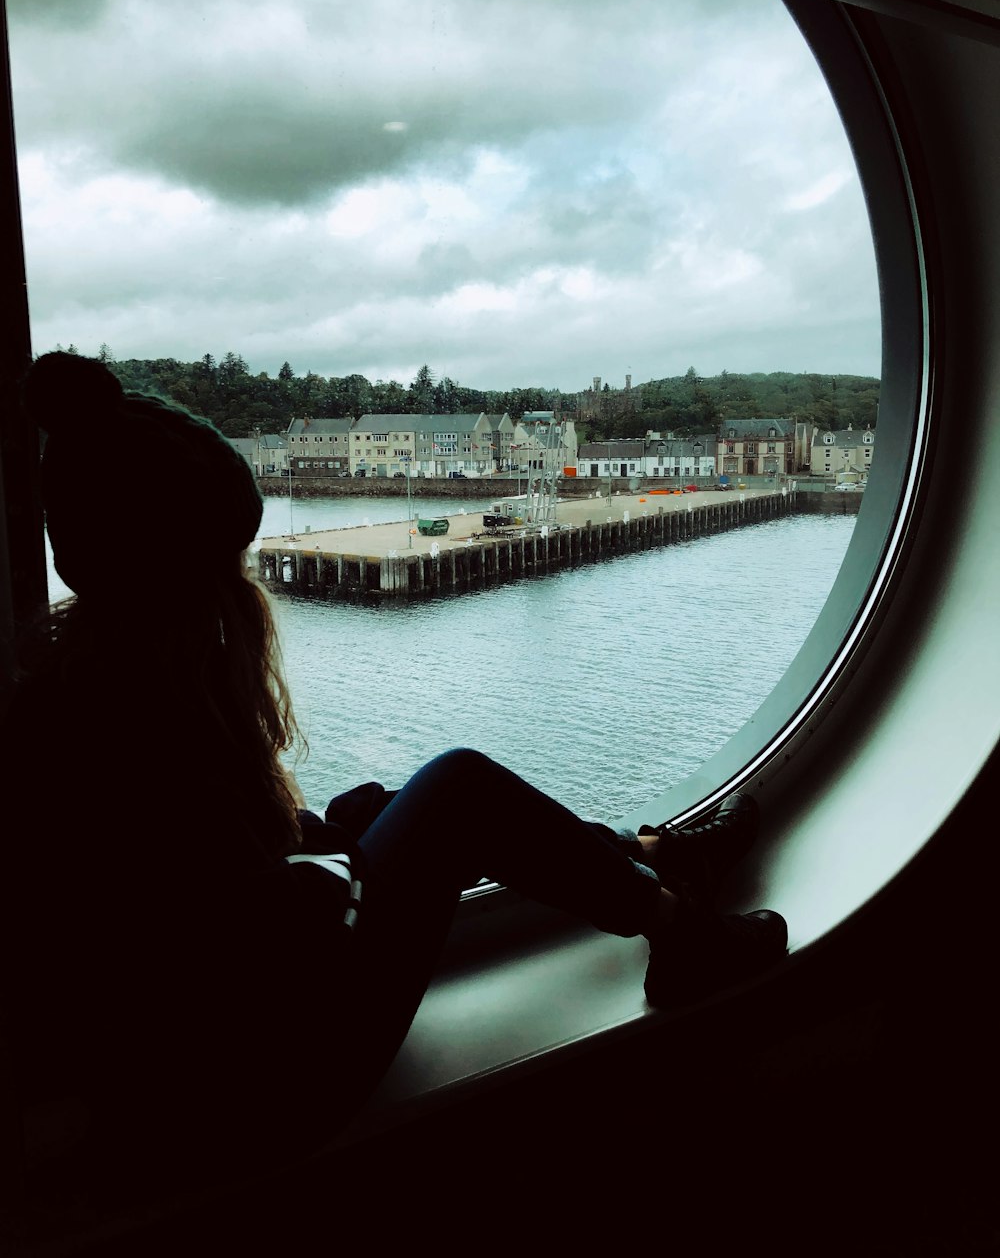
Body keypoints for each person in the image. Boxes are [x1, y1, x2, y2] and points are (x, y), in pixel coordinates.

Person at [3, 352, 787, 1197]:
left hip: (215, 1065)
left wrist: (331, 847)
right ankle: (683, 937)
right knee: (456, 788)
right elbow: (239, 946)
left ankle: (654, 857)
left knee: (370, 805)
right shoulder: (130, 725)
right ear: (171, 573)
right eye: (223, 560)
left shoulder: (76, 688)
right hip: (254, 1096)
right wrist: (337, 869)